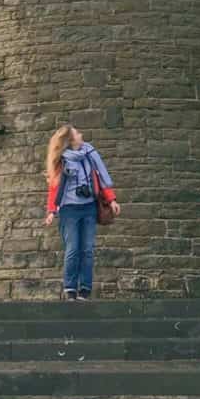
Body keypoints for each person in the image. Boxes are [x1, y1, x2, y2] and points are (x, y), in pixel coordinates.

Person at [44, 124, 120, 300]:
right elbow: (54, 188)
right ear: (70, 140)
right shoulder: (61, 161)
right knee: (73, 249)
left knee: (87, 249)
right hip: (69, 211)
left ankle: (85, 289)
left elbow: (100, 180)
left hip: (89, 208)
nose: (81, 134)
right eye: (77, 133)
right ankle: (70, 288)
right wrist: (51, 211)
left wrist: (112, 199)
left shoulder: (89, 156)